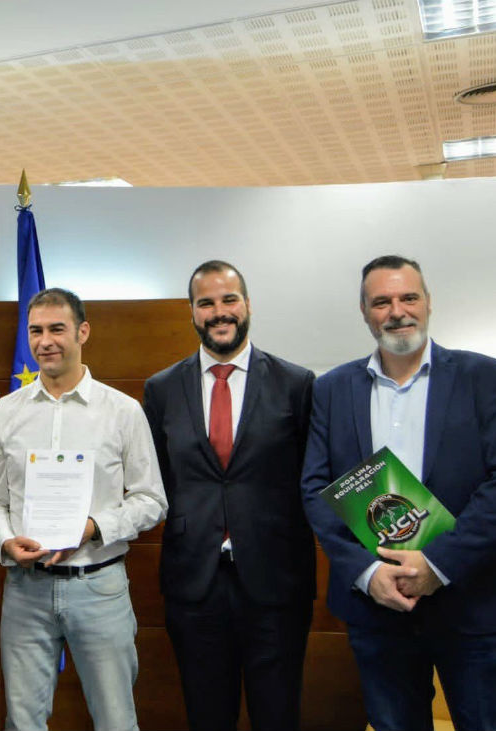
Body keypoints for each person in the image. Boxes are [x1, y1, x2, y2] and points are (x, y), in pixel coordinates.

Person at [300, 255, 496, 731]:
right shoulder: (331, 389)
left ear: (428, 303)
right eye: (382, 301)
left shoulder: (484, 377)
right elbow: (315, 489)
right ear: (365, 312)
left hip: (474, 604)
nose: (397, 311)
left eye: (408, 297)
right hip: (380, 608)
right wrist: (368, 572)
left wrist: (436, 564)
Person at [0, 287, 166, 731]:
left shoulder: (122, 411)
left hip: (99, 586)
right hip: (26, 588)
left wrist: (94, 527)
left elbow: (152, 500)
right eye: (36, 331)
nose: (45, 341)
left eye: (57, 329)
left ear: (82, 332)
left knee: (116, 721)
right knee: (22, 723)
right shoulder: (6, 412)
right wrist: (5, 539)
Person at [142, 261, 314, 731]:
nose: (220, 312)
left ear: (248, 304)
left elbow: (314, 478)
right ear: (192, 313)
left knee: (277, 715)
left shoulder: (297, 384)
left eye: (229, 300)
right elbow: (154, 481)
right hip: (194, 584)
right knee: (206, 715)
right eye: (207, 303)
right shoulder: (159, 390)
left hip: (276, 583)